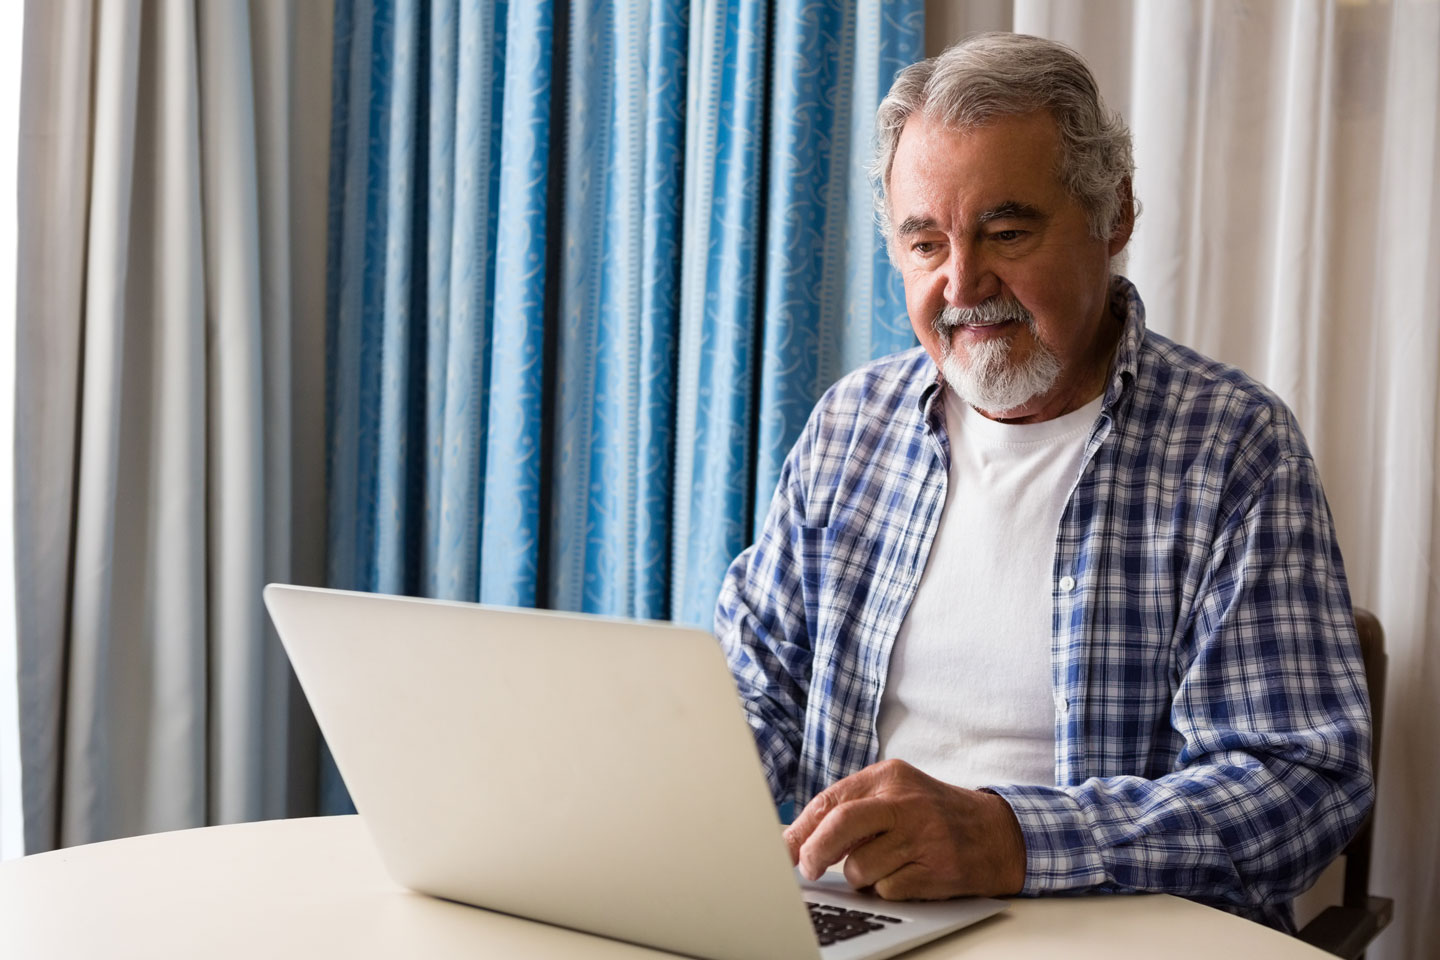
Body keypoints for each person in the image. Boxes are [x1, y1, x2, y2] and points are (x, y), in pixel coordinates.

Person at [713, 32, 1372, 932]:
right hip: (853, 920)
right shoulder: (849, 428)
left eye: (1007, 230)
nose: (962, 282)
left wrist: (1009, 838)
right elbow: (757, 689)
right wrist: (681, 794)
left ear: (1116, 216)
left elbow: (1301, 782)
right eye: (924, 243)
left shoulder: (1233, 447)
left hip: (1107, 937)